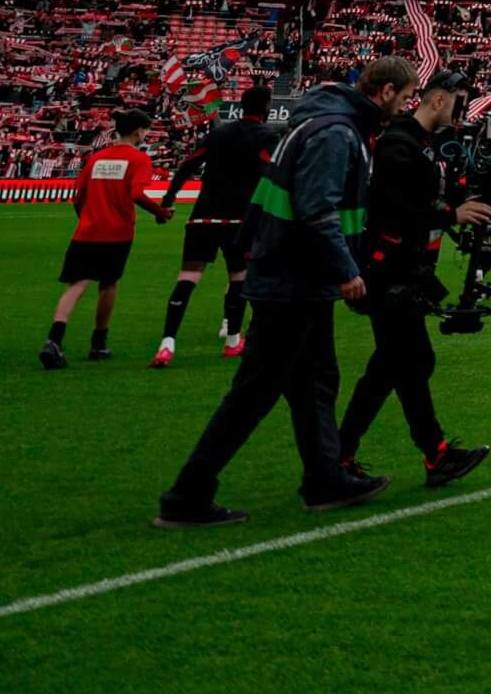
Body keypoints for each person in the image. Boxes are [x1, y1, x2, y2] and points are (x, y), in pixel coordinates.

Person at [154, 59, 404, 528]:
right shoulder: (337, 132)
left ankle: (324, 479)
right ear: (387, 91)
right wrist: (346, 270)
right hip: (296, 278)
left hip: (289, 274)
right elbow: (318, 208)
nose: (404, 105)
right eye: (405, 96)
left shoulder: (315, 122)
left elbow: (273, 198)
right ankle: (187, 493)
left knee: (315, 382)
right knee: (257, 390)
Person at [335, 65, 490, 492]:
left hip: (403, 271)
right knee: (408, 362)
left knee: (395, 365)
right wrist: (449, 214)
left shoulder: (419, 144)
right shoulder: (399, 144)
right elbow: (393, 209)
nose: (460, 114)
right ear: (438, 99)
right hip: (388, 272)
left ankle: (348, 452)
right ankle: (430, 453)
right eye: (457, 104)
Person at [152, 80, 273, 366]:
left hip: (203, 216)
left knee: (187, 279)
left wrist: (168, 201)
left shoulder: (218, 134)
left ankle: (167, 343)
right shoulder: (266, 136)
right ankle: (232, 341)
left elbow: (187, 165)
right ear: (267, 108)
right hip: (239, 220)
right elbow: (269, 173)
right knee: (238, 279)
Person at [44, 105, 167, 369]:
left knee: (76, 284)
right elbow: (136, 193)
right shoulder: (139, 160)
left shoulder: (97, 157)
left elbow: (78, 197)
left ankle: (54, 339)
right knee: (108, 284)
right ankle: (98, 342)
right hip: (117, 232)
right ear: (138, 131)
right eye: (146, 130)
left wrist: (87, 219)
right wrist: (160, 212)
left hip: (87, 230)